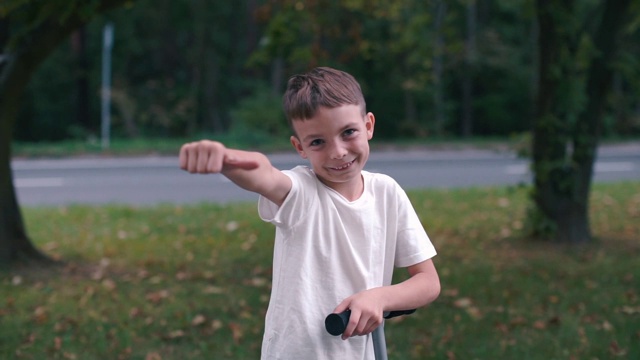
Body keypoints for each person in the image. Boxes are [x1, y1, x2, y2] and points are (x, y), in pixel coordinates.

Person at [179, 67, 440, 359]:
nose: (338, 152)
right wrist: (226, 160)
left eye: (348, 132)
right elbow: (264, 175)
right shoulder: (301, 192)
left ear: (368, 126)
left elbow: (427, 282)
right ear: (299, 147)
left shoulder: (387, 193)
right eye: (318, 142)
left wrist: (379, 297)